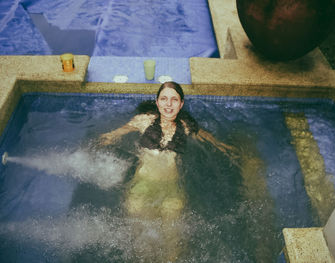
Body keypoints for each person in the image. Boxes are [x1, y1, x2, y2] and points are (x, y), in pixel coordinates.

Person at [99, 81, 239, 261]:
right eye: (164, 99)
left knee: (173, 241)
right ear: (157, 102)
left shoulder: (185, 127)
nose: (168, 104)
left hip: (171, 191)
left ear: (181, 104)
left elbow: (204, 135)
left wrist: (220, 145)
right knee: (142, 239)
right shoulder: (144, 120)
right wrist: (108, 137)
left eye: (174, 100)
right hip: (141, 188)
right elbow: (119, 132)